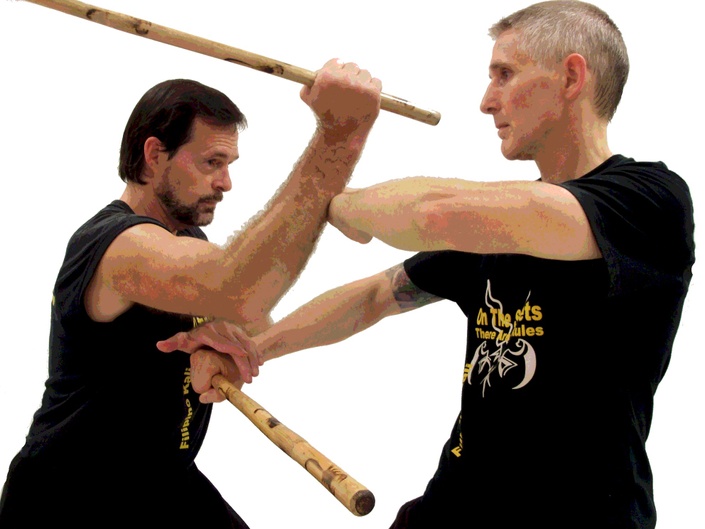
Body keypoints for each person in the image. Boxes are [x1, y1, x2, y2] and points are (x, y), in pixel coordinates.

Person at [161, 2, 696, 528]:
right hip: (452, 509)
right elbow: (375, 296)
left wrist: (336, 192)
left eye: (504, 74)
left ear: (572, 76)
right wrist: (253, 350)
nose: (487, 102)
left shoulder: (648, 202)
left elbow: (433, 213)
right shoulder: (501, 227)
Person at [0, 59, 382, 528]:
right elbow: (239, 289)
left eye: (228, 164)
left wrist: (240, 347)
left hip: (161, 482)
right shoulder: (118, 245)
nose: (225, 182)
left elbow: (253, 316)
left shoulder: (186, 242)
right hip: (71, 497)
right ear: (155, 154)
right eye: (211, 163)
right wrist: (338, 138)